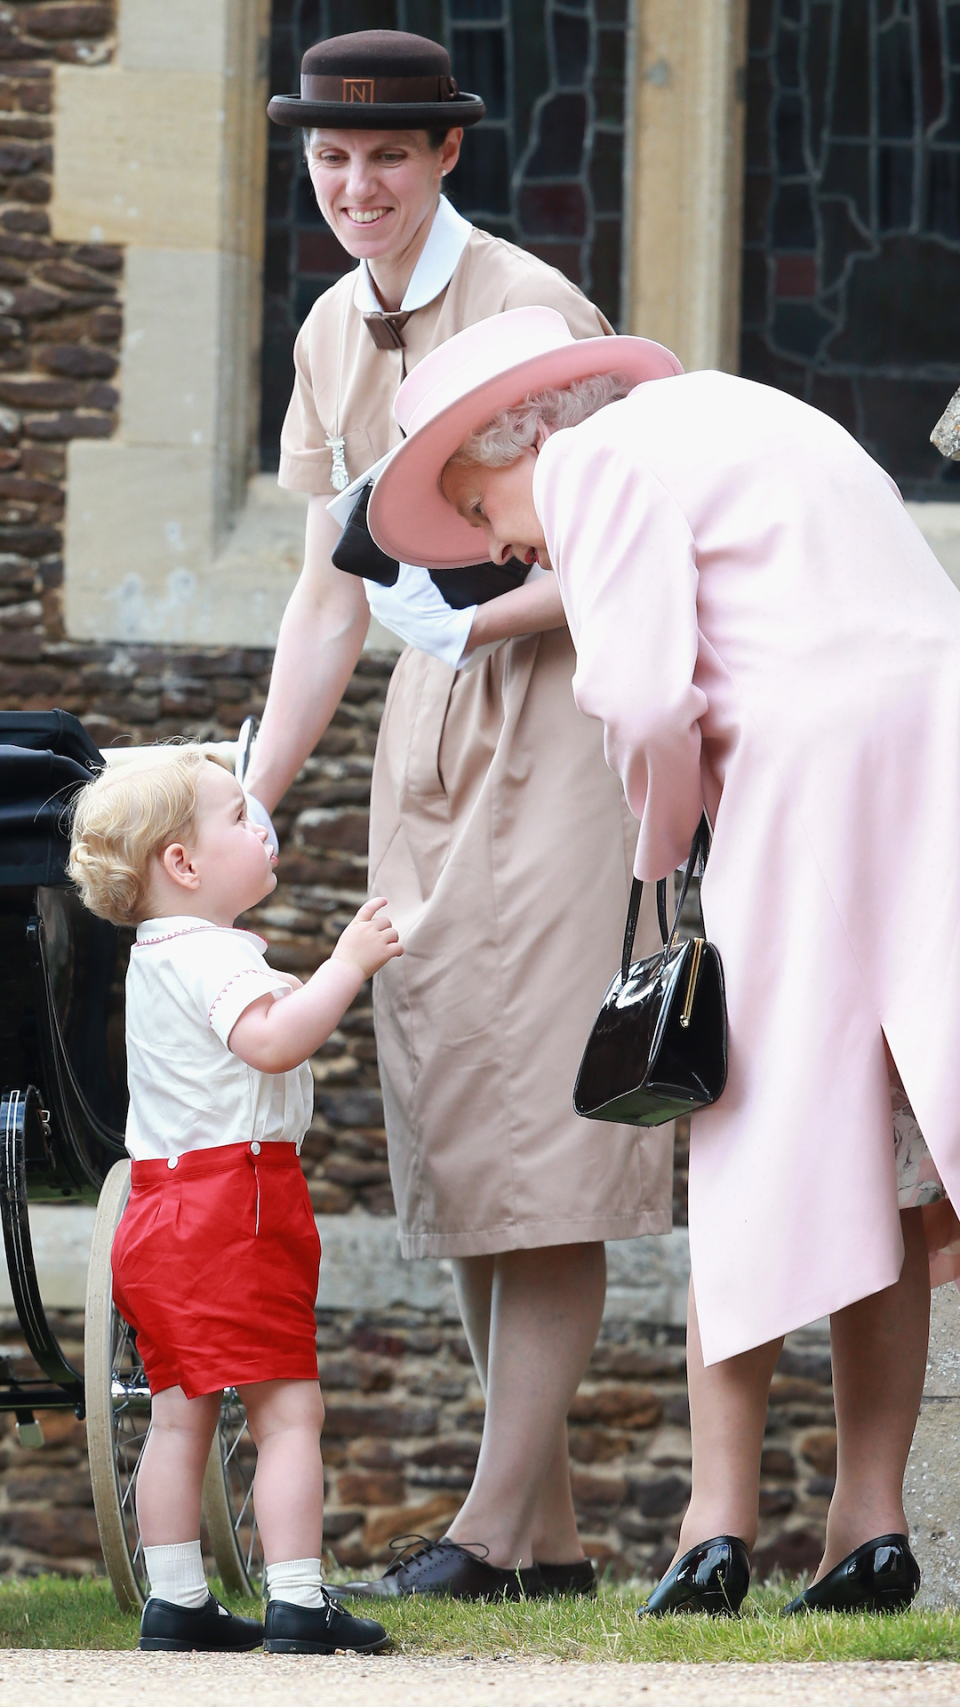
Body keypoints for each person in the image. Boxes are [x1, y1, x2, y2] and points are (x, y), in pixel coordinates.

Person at [366, 302, 960, 1615]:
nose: (494, 545)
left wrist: (664, 843)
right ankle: (869, 1527)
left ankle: (714, 1528)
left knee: (743, 1140)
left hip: (811, 785)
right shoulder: (732, 416)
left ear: (509, 438)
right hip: (937, 765)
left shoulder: (596, 461)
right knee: (899, 1155)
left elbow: (641, 698)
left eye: (474, 509)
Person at [247, 29, 674, 1599]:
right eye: (330, 160)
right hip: (429, 745)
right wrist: (256, 790)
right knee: (463, 1122)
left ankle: (489, 1532)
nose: (355, 186)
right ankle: (547, 1542)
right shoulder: (326, 329)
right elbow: (322, 597)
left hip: (561, 719)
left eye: (386, 157)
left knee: (545, 1120)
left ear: (446, 158)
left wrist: (476, 625)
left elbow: (623, 553)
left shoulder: (530, 313)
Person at [68, 748, 401, 1653]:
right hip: (234, 1206)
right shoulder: (218, 955)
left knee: (180, 1411)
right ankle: (298, 1596)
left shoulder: (155, 957)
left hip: (156, 1207)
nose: (263, 829)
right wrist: (346, 965)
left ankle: (175, 1599)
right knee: (289, 1409)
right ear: (183, 864)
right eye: (241, 818)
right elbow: (272, 1042)